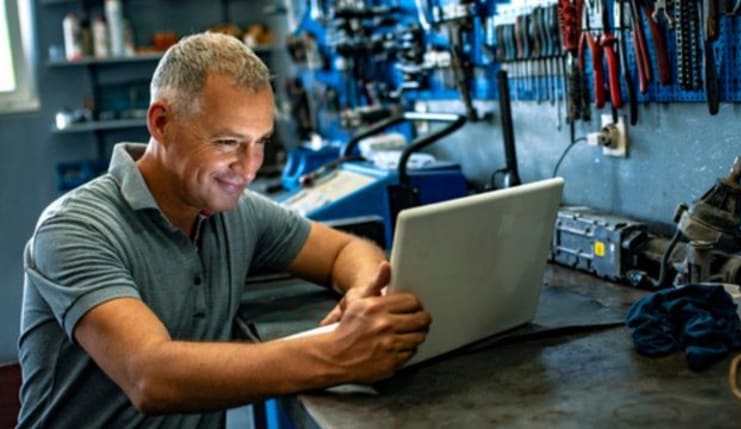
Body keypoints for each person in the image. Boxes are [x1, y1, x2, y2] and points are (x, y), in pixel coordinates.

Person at [17, 32, 431, 428]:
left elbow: (345, 251)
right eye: (228, 142)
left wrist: (363, 296)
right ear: (161, 122)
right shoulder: (75, 228)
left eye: (261, 141)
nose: (249, 167)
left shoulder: (236, 211)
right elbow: (150, 376)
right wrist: (338, 352)